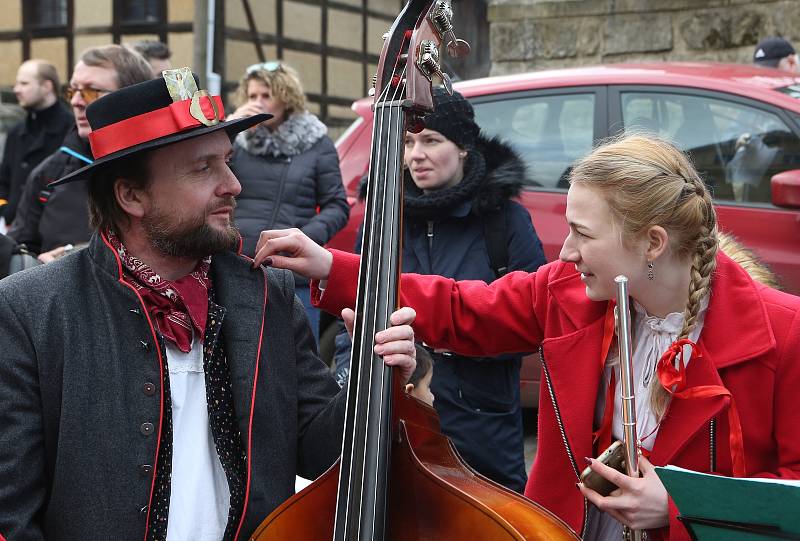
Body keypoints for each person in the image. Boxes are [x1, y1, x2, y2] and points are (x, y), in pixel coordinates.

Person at [253, 134, 800, 541]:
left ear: (653, 242)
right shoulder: (567, 289)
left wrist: (677, 510)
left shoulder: (784, 332)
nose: (564, 251)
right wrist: (333, 266)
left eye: (583, 234)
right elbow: (463, 307)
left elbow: (790, 494)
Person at [0, 69, 416, 540]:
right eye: (204, 168)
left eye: (227, 161)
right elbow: (11, 512)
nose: (233, 185)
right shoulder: (32, 310)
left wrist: (374, 376)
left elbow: (320, 452)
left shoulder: (265, 294)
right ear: (131, 195)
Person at [333, 88, 546, 493]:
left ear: (464, 147)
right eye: (409, 142)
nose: (416, 154)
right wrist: (350, 376)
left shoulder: (504, 221)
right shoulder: (382, 220)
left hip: (482, 422)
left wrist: (444, 335)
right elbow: (351, 312)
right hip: (397, 416)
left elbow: (533, 320)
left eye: (431, 140)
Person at [226, 61, 349, 343]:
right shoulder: (236, 141)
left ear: (286, 97)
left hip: (294, 272)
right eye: (252, 96)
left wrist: (302, 238)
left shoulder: (316, 143)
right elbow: (207, 176)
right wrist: (231, 127)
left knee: (297, 356)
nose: (257, 103)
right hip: (238, 263)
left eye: (266, 95)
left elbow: (337, 205)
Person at [7, 45, 152, 261]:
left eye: (91, 91)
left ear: (131, 95)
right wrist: (37, 264)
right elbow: (19, 251)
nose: (76, 101)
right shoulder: (50, 173)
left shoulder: (168, 165)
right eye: (72, 90)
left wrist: (72, 256)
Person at [0, 60, 72, 225]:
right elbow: (3, 182)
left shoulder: (71, 130)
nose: (16, 89)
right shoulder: (16, 132)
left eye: (24, 83)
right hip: (14, 228)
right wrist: (5, 210)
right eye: (17, 83)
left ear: (47, 86)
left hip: (53, 230)